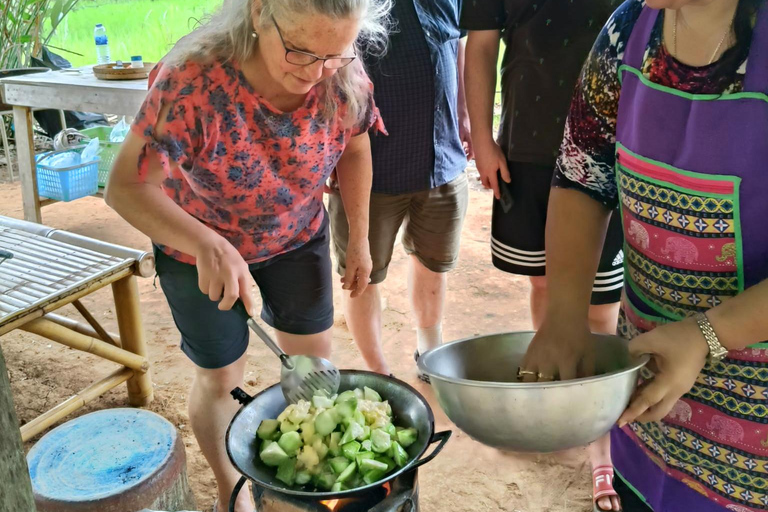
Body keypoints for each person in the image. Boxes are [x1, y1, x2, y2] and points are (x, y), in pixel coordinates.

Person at [105, 0, 391, 510]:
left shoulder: (341, 72)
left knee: (311, 363)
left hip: (297, 236)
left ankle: (315, 466)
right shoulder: (193, 80)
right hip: (198, 243)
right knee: (220, 377)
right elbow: (126, 186)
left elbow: (356, 146)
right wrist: (207, 243)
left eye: (335, 54)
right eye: (300, 51)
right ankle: (229, 489)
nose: (315, 72)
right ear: (259, 13)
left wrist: (361, 239)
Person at [521, 0, 768, 510]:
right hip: (649, 404)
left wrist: (707, 334)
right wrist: (565, 315)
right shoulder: (630, 28)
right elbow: (581, 178)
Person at [461, 2, 623, 510]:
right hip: (530, 150)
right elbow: (482, 45)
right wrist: (484, 139)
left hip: (615, 153)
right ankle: (555, 406)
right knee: (547, 288)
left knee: (601, 307)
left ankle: (602, 443)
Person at [329, 0, 471, 378]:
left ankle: (430, 353)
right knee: (362, 278)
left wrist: (466, 115)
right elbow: (328, 66)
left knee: (433, 264)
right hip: (370, 171)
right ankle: (379, 373)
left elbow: (456, 45)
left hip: (441, 161)